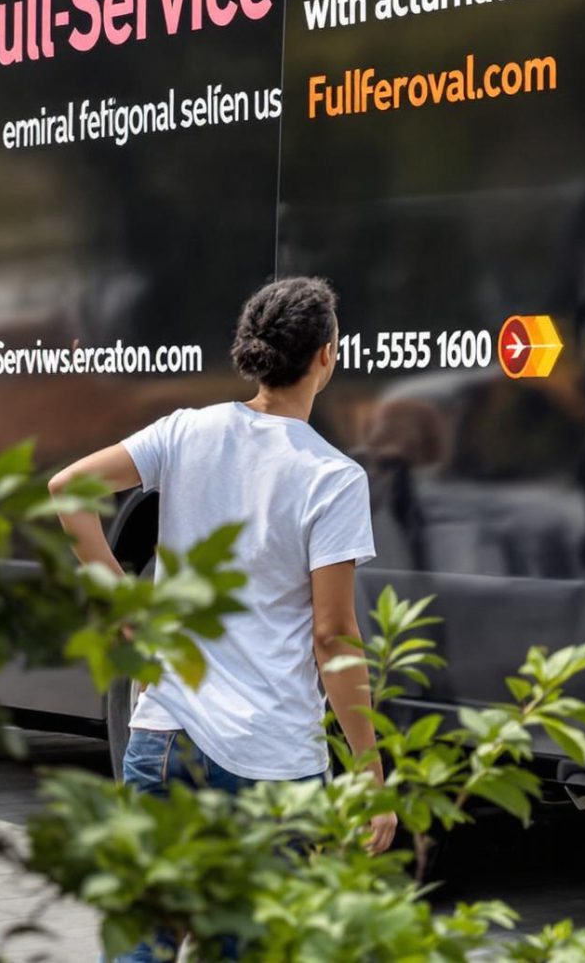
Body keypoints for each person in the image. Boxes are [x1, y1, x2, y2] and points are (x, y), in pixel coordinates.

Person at [53, 277, 393, 963]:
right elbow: (333, 637)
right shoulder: (332, 478)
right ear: (326, 356)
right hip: (269, 760)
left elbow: (67, 490)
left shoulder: (186, 430)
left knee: (143, 944)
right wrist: (368, 768)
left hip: (163, 731)